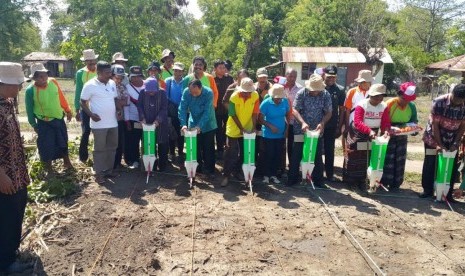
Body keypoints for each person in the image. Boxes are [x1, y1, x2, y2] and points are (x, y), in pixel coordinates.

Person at [0, 62, 32, 274]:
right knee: (7, 216)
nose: (20, 88)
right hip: (5, 177)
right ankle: (6, 264)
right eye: (17, 84)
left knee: (17, 208)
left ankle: (10, 252)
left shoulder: (8, 103)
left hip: (17, 172)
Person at [25, 63, 73, 174]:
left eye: (45, 75)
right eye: (40, 77)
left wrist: (68, 110)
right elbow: (29, 109)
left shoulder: (53, 82)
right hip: (44, 122)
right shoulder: (30, 90)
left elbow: (61, 97)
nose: (44, 78)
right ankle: (49, 168)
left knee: (63, 141)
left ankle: (67, 162)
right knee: (47, 145)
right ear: (34, 78)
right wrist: (33, 124)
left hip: (58, 118)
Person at [420, 84, 465, 201]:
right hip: (433, 137)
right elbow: (434, 125)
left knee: (451, 165)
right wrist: (439, 144)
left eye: (461, 101)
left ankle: (447, 194)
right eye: (456, 100)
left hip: (452, 138)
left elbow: (462, 126)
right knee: (431, 163)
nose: (458, 103)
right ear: (452, 93)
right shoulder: (439, 102)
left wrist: (456, 143)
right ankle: (428, 191)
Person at [287, 74, 332, 187]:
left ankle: (318, 180)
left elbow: (329, 112)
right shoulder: (301, 93)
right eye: (313, 90)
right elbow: (295, 110)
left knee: (316, 154)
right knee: (297, 153)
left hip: (317, 130)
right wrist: (302, 122)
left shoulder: (325, 94)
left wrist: (322, 123)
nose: (315, 92)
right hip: (301, 129)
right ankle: (292, 179)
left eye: (317, 91)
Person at [344, 84, 391, 190]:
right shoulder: (362, 105)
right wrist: (369, 131)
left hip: (372, 132)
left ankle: (363, 181)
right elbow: (358, 122)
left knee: (368, 156)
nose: (378, 99)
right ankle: (351, 181)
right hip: (358, 131)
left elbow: (386, 122)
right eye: (376, 97)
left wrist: (386, 131)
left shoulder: (383, 106)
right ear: (370, 95)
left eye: (381, 97)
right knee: (355, 155)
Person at [80, 61, 119, 184]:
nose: (109, 74)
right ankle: (98, 174)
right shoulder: (90, 85)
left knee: (112, 147)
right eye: (107, 72)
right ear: (99, 73)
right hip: (99, 124)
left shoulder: (112, 83)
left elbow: (115, 98)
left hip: (113, 122)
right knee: (99, 149)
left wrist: (118, 110)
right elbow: (82, 102)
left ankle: (108, 170)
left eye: (110, 72)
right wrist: (91, 114)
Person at [221, 77, 259, 187]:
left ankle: (237, 172)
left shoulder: (255, 95)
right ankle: (226, 175)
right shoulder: (234, 97)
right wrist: (241, 129)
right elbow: (232, 114)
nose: (247, 94)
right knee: (230, 152)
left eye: (249, 92)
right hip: (234, 127)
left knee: (245, 152)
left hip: (248, 127)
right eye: (245, 92)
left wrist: (253, 127)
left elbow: (255, 113)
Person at [380, 82, 418, 191]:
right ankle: (384, 181)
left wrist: (414, 129)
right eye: (404, 98)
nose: (406, 101)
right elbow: (383, 121)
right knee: (388, 158)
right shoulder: (389, 104)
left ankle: (396, 183)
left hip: (403, 136)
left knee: (400, 159)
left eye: (408, 99)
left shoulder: (411, 106)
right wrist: (389, 129)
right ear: (399, 94)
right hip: (388, 134)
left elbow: (413, 121)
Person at [178, 79, 218, 178]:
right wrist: (183, 124)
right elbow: (182, 108)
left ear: (200, 88)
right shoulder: (187, 92)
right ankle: (197, 169)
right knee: (195, 147)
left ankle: (209, 170)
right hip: (193, 121)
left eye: (196, 92)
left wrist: (199, 126)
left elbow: (207, 112)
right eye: (192, 92)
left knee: (208, 147)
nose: (193, 95)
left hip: (208, 123)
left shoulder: (208, 93)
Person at [343, 70, 373, 182]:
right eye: (362, 82)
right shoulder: (352, 92)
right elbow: (347, 109)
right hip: (353, 126)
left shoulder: (373, 93)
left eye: (366, 82)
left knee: (365, 152)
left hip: (368, 126)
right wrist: (346, 126)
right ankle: (348, 177)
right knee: (351, 151)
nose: (364, 84)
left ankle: (362, 178)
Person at [260, 84, 291, 184]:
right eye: (276, 98)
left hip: (280, 134)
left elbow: (287, 115)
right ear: (272, 96)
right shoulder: (266, 103)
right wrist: (270, 125)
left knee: (277, 155)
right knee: (268, 154)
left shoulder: (285, 102)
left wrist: (287, 129)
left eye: (280, 98)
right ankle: (265, 175)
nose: (278, 100)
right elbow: (260, 119)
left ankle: (273, 175)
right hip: (268, 134)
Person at [137, 77, 169, 171]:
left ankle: (163, 166)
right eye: (149, 91)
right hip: (147, 123)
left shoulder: (162, 93)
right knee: (149, 144)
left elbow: (164, 108)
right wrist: (142, 118)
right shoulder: (142, 92)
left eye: (153, 91)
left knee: (162, 144)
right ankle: (151, 166)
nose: (151, 93)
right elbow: (139, 106)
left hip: (161, 123)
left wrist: (158, 120)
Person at [323, 65, 346, 181]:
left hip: (331, 125)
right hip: (317, 125)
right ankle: (315, 173)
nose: (331, 79)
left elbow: (342, 110)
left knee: (329, 150)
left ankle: (329, 174)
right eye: (328, 77)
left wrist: (339, 126)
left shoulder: (340, 90)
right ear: (324, 75)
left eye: (333, 77)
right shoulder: (318, 87)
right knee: (315, 150)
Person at [74, 49, 98, 162]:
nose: (92, 64)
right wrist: (77, 109)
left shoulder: (100, 70)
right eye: (89, 62)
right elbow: (78, 91)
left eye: (93, 62)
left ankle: (98, 156)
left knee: (98, 131)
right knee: (86, 131)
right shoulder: (80, 73)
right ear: (85, 62)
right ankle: (83, 157)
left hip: (98, 106)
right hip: (85, 107)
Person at [213, 59, 234, 158]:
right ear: (215, 69)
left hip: (227, 108)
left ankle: (228, 148)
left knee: (228, 128)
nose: (222, 70)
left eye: (224, 68)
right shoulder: (212, 79)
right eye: (220, 68)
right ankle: (220, 150)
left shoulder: (229, 79)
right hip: (216, 109)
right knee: (218, 130)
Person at [254, 67, 273, 177]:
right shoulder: (252, 87)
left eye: (264, 77)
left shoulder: (271, 88)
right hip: (254, 120)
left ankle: (262, 169)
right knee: (254, 145)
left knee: (264, 147)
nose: (263, 79)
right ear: (257, 77)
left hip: (266, 121)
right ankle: (255, 167)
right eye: (261, 77)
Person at [124, 66, 144, 169]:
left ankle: (147, 161)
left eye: (138, 76)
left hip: (147, 119)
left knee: (146, 140)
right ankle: (134, 160)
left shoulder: (147, 85)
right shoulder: (127, 87)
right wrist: (127, 121)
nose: (136, 79)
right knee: (134, 141)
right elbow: (126, 106)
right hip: (133, 118)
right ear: (130, 77)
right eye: (133, 77)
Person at [165, 62, 185, 162]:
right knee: (171, 132)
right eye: (176, 70)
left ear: (183, 71)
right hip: (171, 110)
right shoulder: (168, 81)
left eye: (179, 70)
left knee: (181, 131)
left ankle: (181, 152)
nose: (177, 72)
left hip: (182, 110)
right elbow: (165, 96)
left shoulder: (186, 81)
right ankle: (171, 152)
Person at [283, 68, 303, 169]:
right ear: (286, 76)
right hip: (283, 121)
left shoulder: (300, 89)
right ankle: (284, 167)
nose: (292, 78)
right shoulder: (281, 87)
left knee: (296, 144)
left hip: (296, 122)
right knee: (285, 145)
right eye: (290, 76)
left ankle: (294, 166)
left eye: (294, 76)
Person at [111, 64, 129, 169]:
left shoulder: (122, 86)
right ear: (112, 75)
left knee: (119, 141)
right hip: (109, 119)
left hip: (120, 117)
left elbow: (126, 101)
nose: (119, 79)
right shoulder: (108, 86)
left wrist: (117, 102)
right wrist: (117, 102)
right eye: (117, 77)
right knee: (111, 143)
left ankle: (117, 163)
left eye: (121, 77)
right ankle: (111, 165)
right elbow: (114, 102)